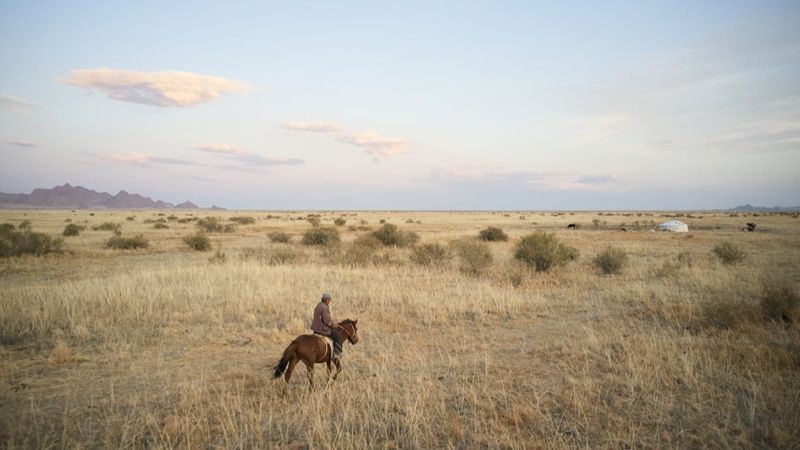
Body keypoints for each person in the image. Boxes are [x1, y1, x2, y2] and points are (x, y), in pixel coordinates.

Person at [311, 292, 344, 360]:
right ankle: (336, 353)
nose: (329, 302)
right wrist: (335, 325)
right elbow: (327, 321)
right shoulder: (324, 307)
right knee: (337, 335)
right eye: (329, 300)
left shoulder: (318, 306)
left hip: (316, 329)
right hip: (322, 329)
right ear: (327, 300)